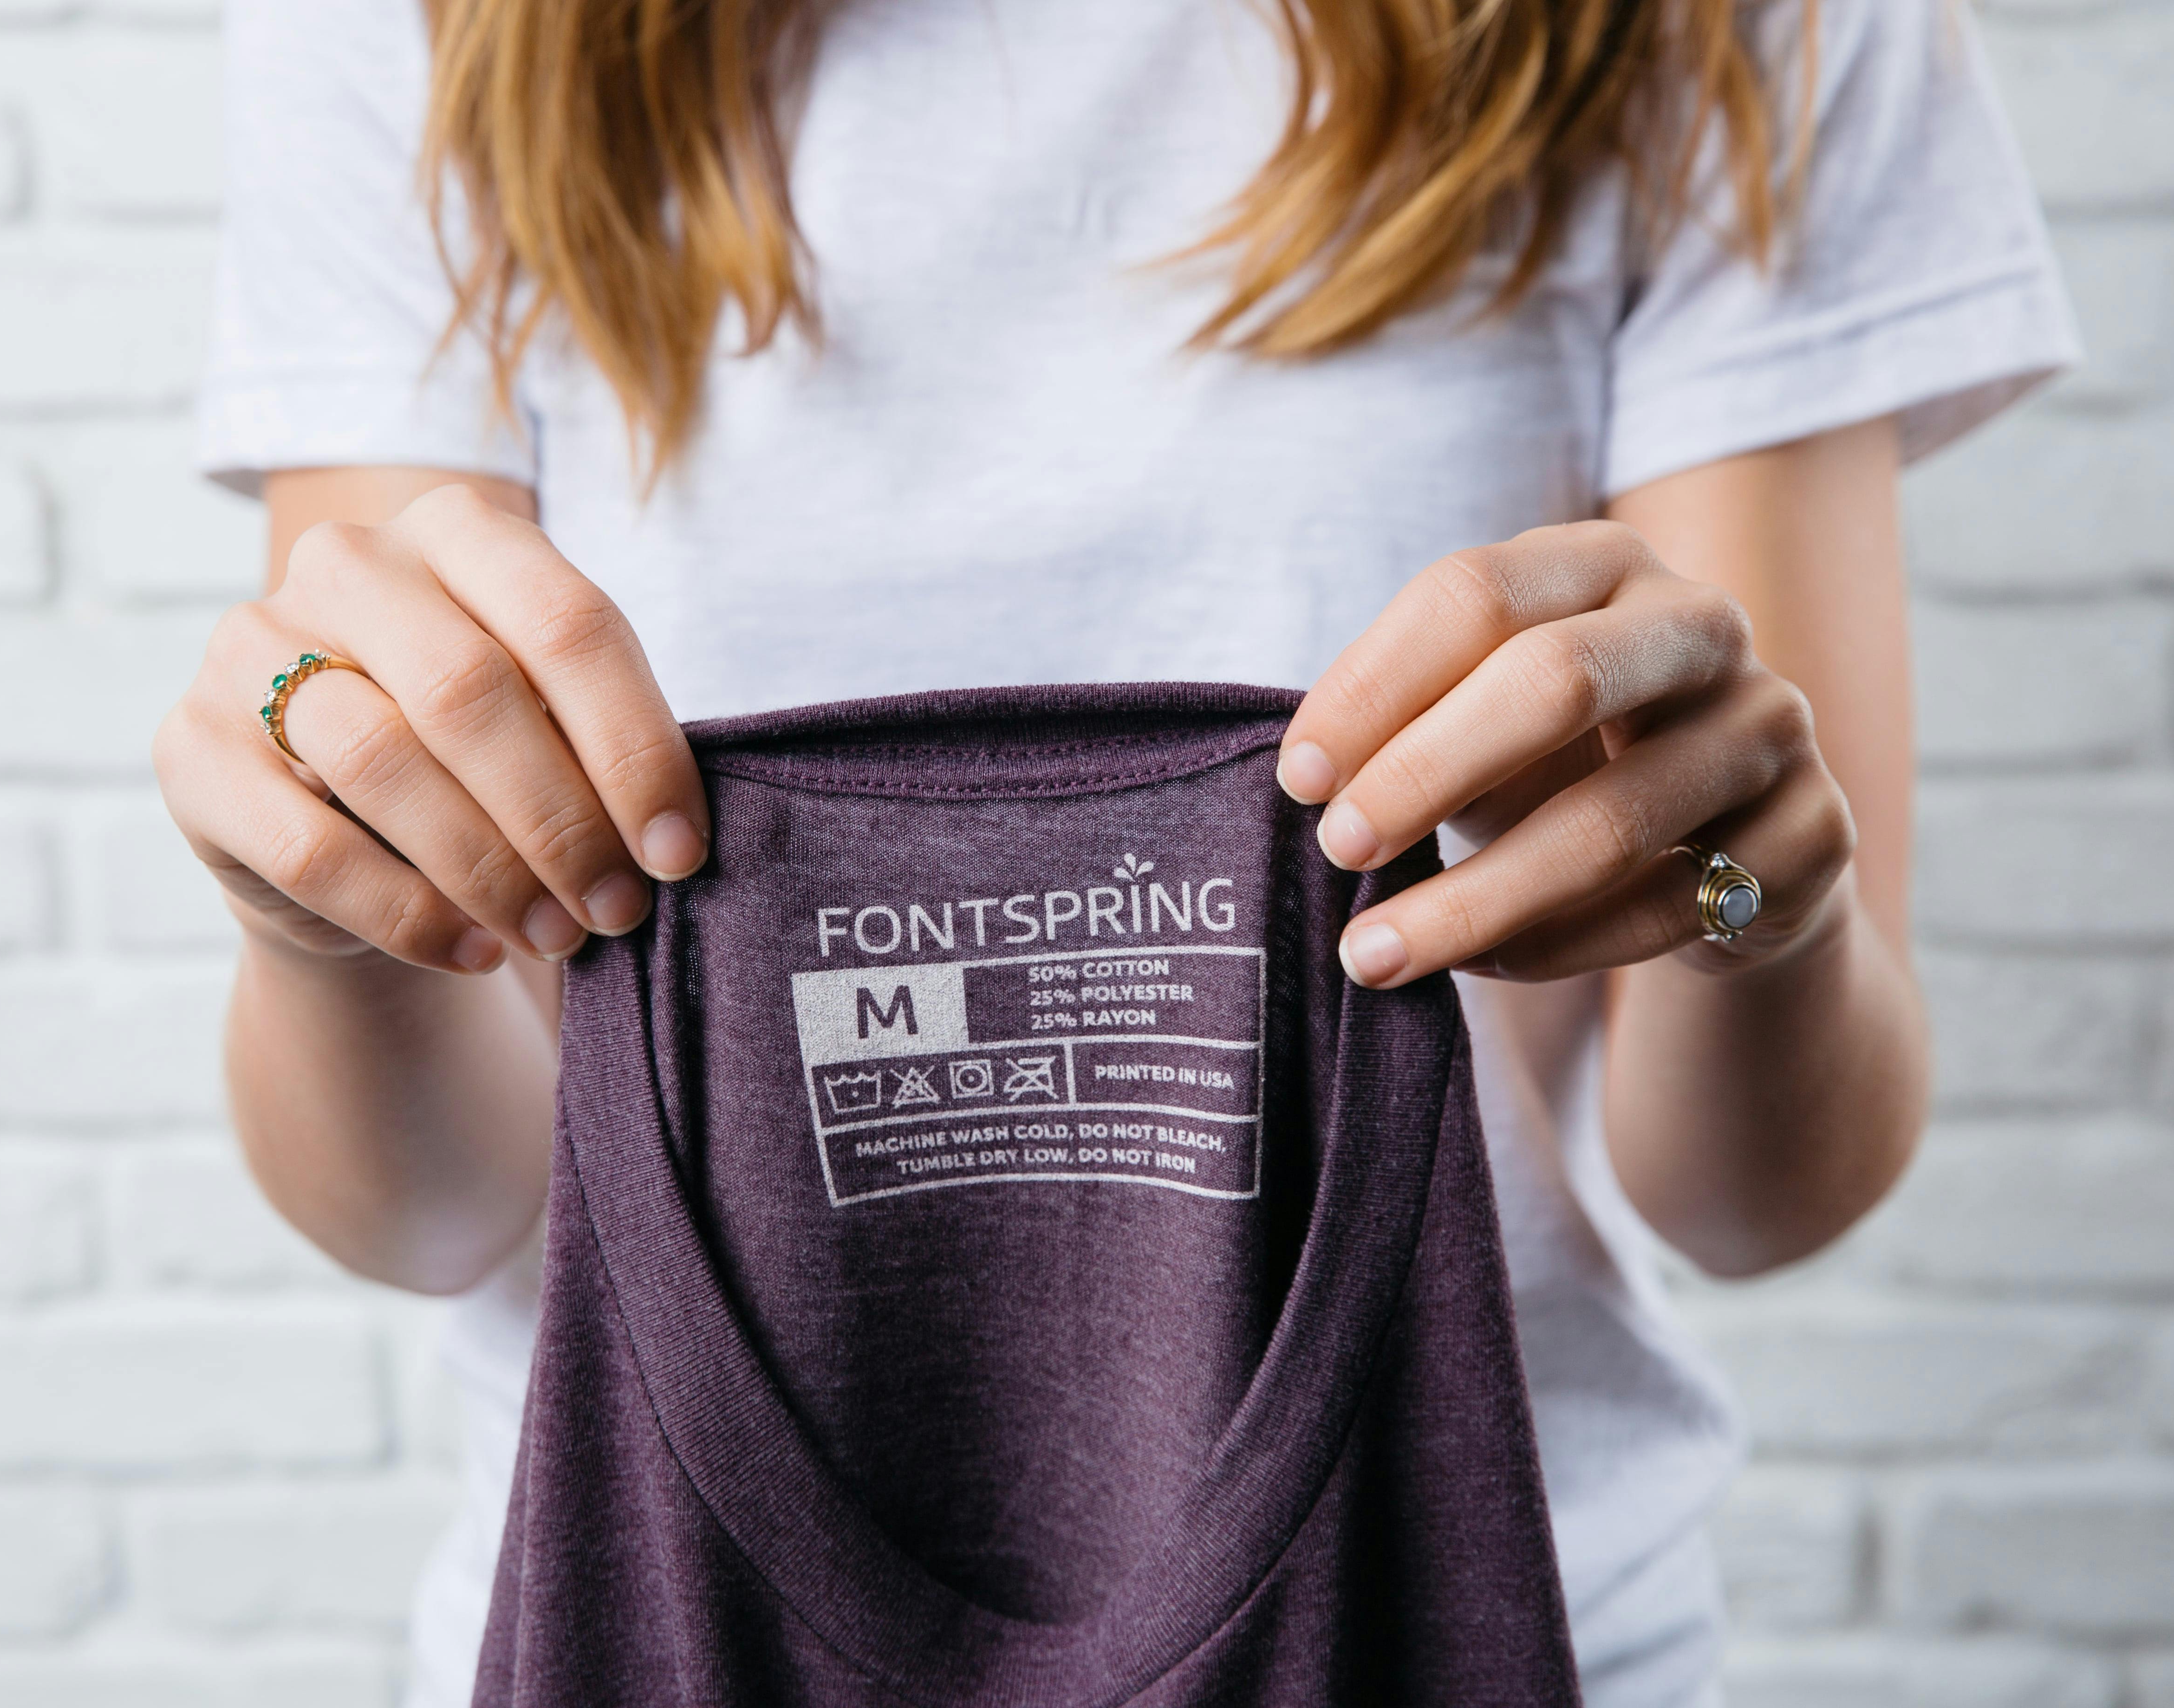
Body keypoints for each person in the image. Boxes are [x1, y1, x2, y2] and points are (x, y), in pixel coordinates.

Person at [159, 0, 2075, 1700]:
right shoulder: (429, 31)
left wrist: (1757, 910)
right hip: (662, 1608)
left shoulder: (1719, 29)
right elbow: (434, 1210)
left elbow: (1757, 1197)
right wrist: (318, 916)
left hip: (1473, 1594)